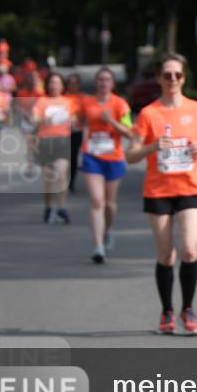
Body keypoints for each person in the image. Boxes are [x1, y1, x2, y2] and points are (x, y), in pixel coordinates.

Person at [126, 53, 197, 336]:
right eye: (167, 75)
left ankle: (187, 309)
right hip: (158, 190)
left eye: (177, 75)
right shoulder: (148, 114)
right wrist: (153, 146)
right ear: (158, 78)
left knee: (189, 249)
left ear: (184, 77)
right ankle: (167, 311)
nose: (173, 80)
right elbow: (130, 155)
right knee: (166, 255)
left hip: (191, 186)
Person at [80, 68, 132, 263]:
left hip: (114, 158)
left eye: (107, 80)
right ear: (96, 83)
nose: (103, 83)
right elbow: (77, 121)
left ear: (113, 83)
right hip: (91, 156)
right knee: (96, 200)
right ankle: (98, 246)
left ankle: (108, 229)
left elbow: (128, 132)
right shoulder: (87, 102)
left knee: (109, 204)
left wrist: (110, 121)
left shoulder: (120, 104)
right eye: (100, 80)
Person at [31, 73, 81, 223]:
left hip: (63, 141)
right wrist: (45, 119)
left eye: (57, 83)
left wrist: (72, 121)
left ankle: (61, 207)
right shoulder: (42, 101)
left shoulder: (68, 102)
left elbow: (75, 120)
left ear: (62, 86)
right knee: (49, 178)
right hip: (46, 142)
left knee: (61, 174)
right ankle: (48, 206)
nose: (54, 85)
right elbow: (34, 119)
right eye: (52, 82)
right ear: (48, 85)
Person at [65, 73, 86, 193]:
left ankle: (71, 182)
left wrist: (79, 119)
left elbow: (86, 115)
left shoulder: (82, 98)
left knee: (73, 157)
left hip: (77, 131)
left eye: (75, 83)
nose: (73, 85)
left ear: (78, 85)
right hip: (62, 132)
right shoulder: (63, 97)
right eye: (70, 83)